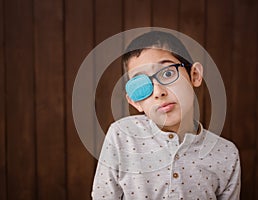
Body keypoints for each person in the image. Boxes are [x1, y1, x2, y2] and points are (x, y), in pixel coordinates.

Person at [91, 30, 241, 200]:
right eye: (141, 85)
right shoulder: (121, 135)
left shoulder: (226, 154)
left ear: (195, 75)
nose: (158, 92)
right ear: (135, 102)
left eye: (168, 73)